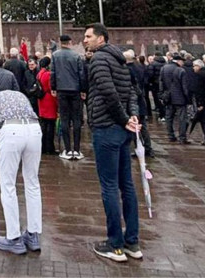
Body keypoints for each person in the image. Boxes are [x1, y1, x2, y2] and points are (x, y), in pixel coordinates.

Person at [82, 23, 142, 262]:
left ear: (101, 39)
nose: (84, 40)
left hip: (107, 129)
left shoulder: (98, 60)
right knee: (126, 185)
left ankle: (115, 244)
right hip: (121, 130)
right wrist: (132, 116)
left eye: (88, 36)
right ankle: (132, 242)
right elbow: (131, 93)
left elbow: (108, 93)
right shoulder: (120, 59)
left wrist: (125, 118)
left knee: (109, 186)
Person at [0, 90, 42, 255]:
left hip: (11, 130)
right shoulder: (20, 95)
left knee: (8, 185)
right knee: (32, 183)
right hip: (34, 129)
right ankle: (33, 234)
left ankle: (14, 238)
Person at [50, 34, 88, 161]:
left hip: (61, 90)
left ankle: (67, 149)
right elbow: (81, 74)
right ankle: (76, 150)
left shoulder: (55, 56)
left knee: (64, 119)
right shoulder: (76, 56)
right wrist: (83, 89)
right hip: (75, 90)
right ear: (70, 42)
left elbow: (53, 73)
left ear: (60, 42)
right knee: (76, 119)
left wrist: (53, 88)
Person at [160, 53, 190, 144]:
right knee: (182, 118)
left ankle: (171, 136)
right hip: (180, 98)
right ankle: (182, 137)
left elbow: (161, 83)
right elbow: (184, 86)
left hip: (168, 97)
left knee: (169, 118)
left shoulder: (164, 68)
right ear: (179, 61)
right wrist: (187, 98)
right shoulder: (181, 70)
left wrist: (161, 95)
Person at [36, 57, 58, 155]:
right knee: (50, 125)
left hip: (41, 100)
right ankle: (50, 147)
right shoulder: (48, 74)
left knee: (43, 125)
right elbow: (51, 88)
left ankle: (43, 146)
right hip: (49, 100)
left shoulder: (39, 74)